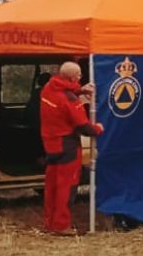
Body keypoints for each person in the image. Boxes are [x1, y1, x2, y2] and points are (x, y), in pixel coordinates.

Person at [39, 61, 102, 236]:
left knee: (51, 186)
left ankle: (50, 222)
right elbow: (84, 127)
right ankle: (61, 225)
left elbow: (62, 92)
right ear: (73, 77)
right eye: (80, 75)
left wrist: (80, 90)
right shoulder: (70, 101)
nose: (81, 78)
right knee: (66, 187)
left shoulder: (47, 89)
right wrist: (98, 129)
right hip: (68, 147)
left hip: (50, 145)